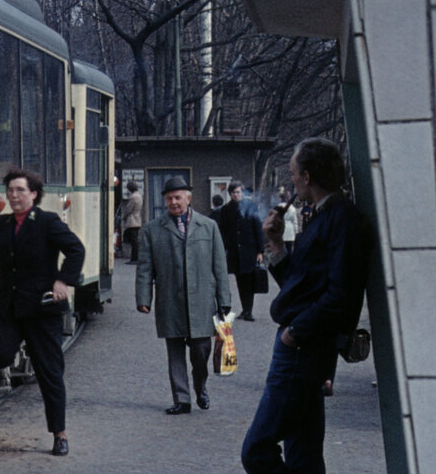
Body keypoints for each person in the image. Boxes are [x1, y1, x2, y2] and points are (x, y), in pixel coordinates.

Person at [241, 138, 371, 473]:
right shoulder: (326, 216)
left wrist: (295, 333)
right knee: (304, 454)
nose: (292, 180)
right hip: (305, 347)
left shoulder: (340, 219)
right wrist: (275, 244)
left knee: (257, 451)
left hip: (302, 348)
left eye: (294, 173)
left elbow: (340, 296)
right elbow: (300, 287)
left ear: (308, 177)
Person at [0, 168, 85, 457]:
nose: (14, 195)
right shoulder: (2, 224)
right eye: (10, 190)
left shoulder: (47, 222)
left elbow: (76, 249)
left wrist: (63, 280)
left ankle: (59, 434)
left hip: (42, 308)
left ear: (34, 194)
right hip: (10, 306)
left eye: (20, 190)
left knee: (50, 373)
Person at [136, 176, 231, 415]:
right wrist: (143, 299)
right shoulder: (152, 230)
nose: (173, 202)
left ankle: (200, 386)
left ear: (188, 198)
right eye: (169, 198)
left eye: (178, 197)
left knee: (201, 351)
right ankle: (182, 399)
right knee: (175, 352)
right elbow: (145, 268)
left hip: (202, 302)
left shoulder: (208, 226)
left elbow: (220, 267)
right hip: (170, 300)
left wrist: (224, 301)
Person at [217, 180, 265, 321]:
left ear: (242, 193)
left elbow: (257, 228)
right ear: (230, 194)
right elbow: (223, 231)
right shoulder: (226, 210)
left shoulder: (251, 206)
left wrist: (260, 251)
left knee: (249, 281)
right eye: (233, 192)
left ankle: (249, 310)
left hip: (249, 250)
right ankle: (245, 309)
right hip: (234, 251)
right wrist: (224, 248)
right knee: (240, 281)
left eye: (238, 192)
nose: (236, 195)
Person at [122, 180, 144, 264]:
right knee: (135, 240)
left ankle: (134, 258)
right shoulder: (139, 196)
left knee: (133, 241)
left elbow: (128, 209)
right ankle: (135, 258)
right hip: (138, 219)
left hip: (132, 220)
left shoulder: (133, 197)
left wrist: (124, 217)